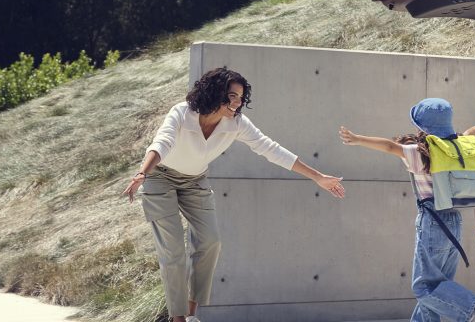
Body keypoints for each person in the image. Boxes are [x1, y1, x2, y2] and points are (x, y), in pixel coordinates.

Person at [123, 67, 346, 322]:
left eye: (241, 97)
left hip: (195, 180)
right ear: (214, 92)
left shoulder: (236, 123)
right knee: (173, 251)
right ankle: (178, 319)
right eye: (232, 96)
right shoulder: (183, 112)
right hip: (159, 177)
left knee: (210, 241)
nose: (237, 102)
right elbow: (162, 142)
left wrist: (317, 176)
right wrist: (142, 173)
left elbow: (270, 149)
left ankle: (192, 314)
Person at [339, 98, 475, 322]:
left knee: (424, 288)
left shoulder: (422, 153)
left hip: (433, 221)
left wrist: (358, 139)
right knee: (437, 286)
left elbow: (389, 146)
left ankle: (470, 314)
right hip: (455, 221)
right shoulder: (457, 147)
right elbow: (468, 134)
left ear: (422, 127)